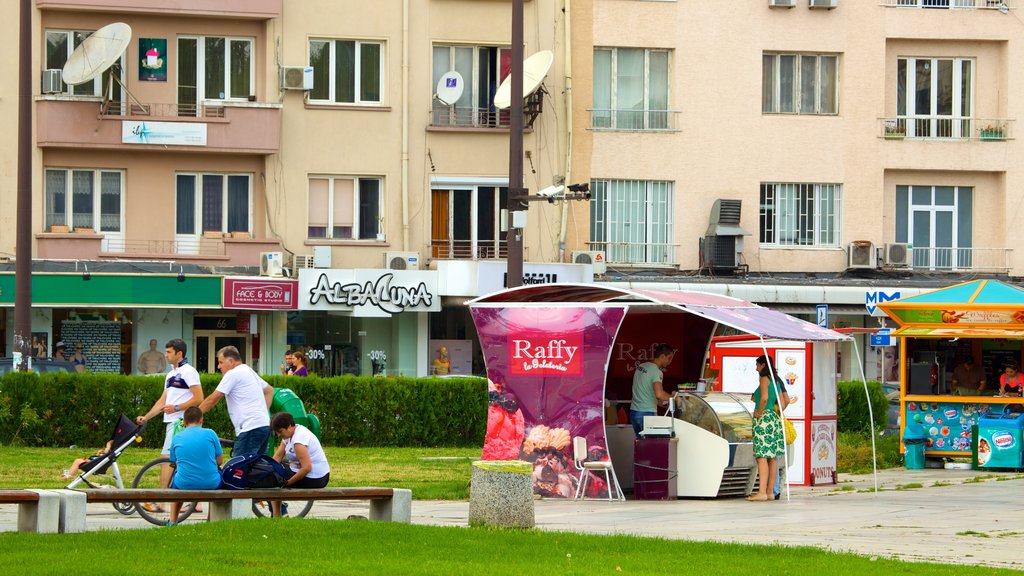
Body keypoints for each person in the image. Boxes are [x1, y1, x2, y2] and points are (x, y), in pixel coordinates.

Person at [136, 338, 204, 507]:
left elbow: (199, 398)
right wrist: (146, 417)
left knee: (166, 458)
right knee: (183, 461)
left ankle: (161, 501)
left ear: (179, 354)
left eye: (168, 352)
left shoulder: (189, 371)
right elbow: (163, 400)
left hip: (181, 422)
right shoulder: (170, 374)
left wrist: (176, 407)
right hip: (174, 421)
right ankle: (195, 503)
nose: (165, 355)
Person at [200, 346, 274, 457]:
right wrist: (261, 412)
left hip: (250, 428)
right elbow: (269, 390)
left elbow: (212, 399)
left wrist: (192, 416)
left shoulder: (233, 373)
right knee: (258, 468)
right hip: (263, 425)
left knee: (239, 468)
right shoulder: (248, 370)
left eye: (220, 362)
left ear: (230, 361)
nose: (218, 366)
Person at [167, 407, 223, 526]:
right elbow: (220, 461)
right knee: (220, 479)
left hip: (184, 483)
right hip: (211, 482)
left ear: (184, 422)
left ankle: (172, 521)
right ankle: (210, 520)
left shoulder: (177, 437)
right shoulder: (211, 433)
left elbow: (173, 461)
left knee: (176, 486)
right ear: (201, 420)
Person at [269, 412, 330, 516]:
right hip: (307, 472)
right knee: (273, 470)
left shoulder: (299, 440)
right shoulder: (289, 435)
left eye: (280, 431)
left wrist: (288, 483)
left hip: (316, 478)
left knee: (276, 476)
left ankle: (277, 515)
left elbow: (306, 468)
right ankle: (277, 515)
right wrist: (267, 468)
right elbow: (278, 456)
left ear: (289, 426)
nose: (278, 435)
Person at [748, 355, 785, 502]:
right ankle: (770, 492)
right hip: (773, 419)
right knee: (772, 457)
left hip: (763, 420)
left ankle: (761, 492)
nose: (756, 368)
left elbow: (763, 397)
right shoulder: (776, 380)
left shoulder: (764, 379)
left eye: (757, 365)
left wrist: (759, 411)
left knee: (761, 456)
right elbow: (782, 402)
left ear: (763, 365)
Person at [629, 343, 676, 436]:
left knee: (641, 445)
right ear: (662, 356)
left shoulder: (641, 367)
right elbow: (659, 394)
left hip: (634, 413)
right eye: (669, 358)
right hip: (647, 414)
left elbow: (648, 393)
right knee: (650, 446)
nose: (670, 361)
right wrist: (674, 397)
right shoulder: (656, 371)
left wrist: (664, 404)